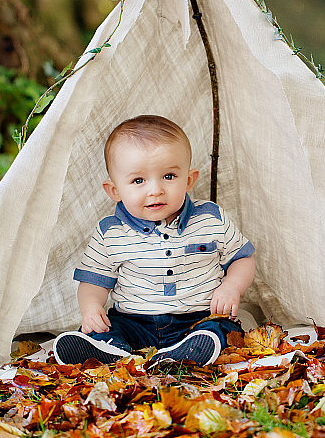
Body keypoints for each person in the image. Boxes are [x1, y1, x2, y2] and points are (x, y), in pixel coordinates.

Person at [53, 115, 256, 367]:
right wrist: (91, 308)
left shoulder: (210, 218)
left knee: (222, 328)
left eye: (169, 176)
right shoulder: (110, 232)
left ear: (189, 180)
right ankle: (115, 350)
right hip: (134, 321)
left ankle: (189, 351)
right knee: (104, 327)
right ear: (114, 190)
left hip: (198, 319)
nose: (155, 190)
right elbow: (93, 281)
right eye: (138, 181)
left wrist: (231, 287)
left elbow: (243, 258)